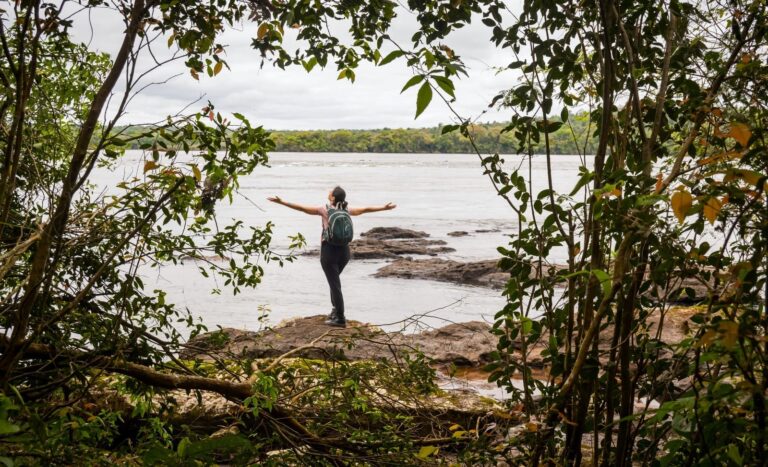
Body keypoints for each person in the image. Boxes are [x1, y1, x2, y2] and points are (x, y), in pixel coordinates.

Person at [267, 186, 397, 327]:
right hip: (345, 252)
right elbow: (366, 209)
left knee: (335, 285)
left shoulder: (325, 209)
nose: (328, 193)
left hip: (329, 252)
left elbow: (302, 208)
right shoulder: (347, 210)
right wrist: (384, 208)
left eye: (330, 192)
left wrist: (282, 202)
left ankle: (340, 318)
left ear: (333, 198)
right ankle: (335, 311)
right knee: (334, 283)